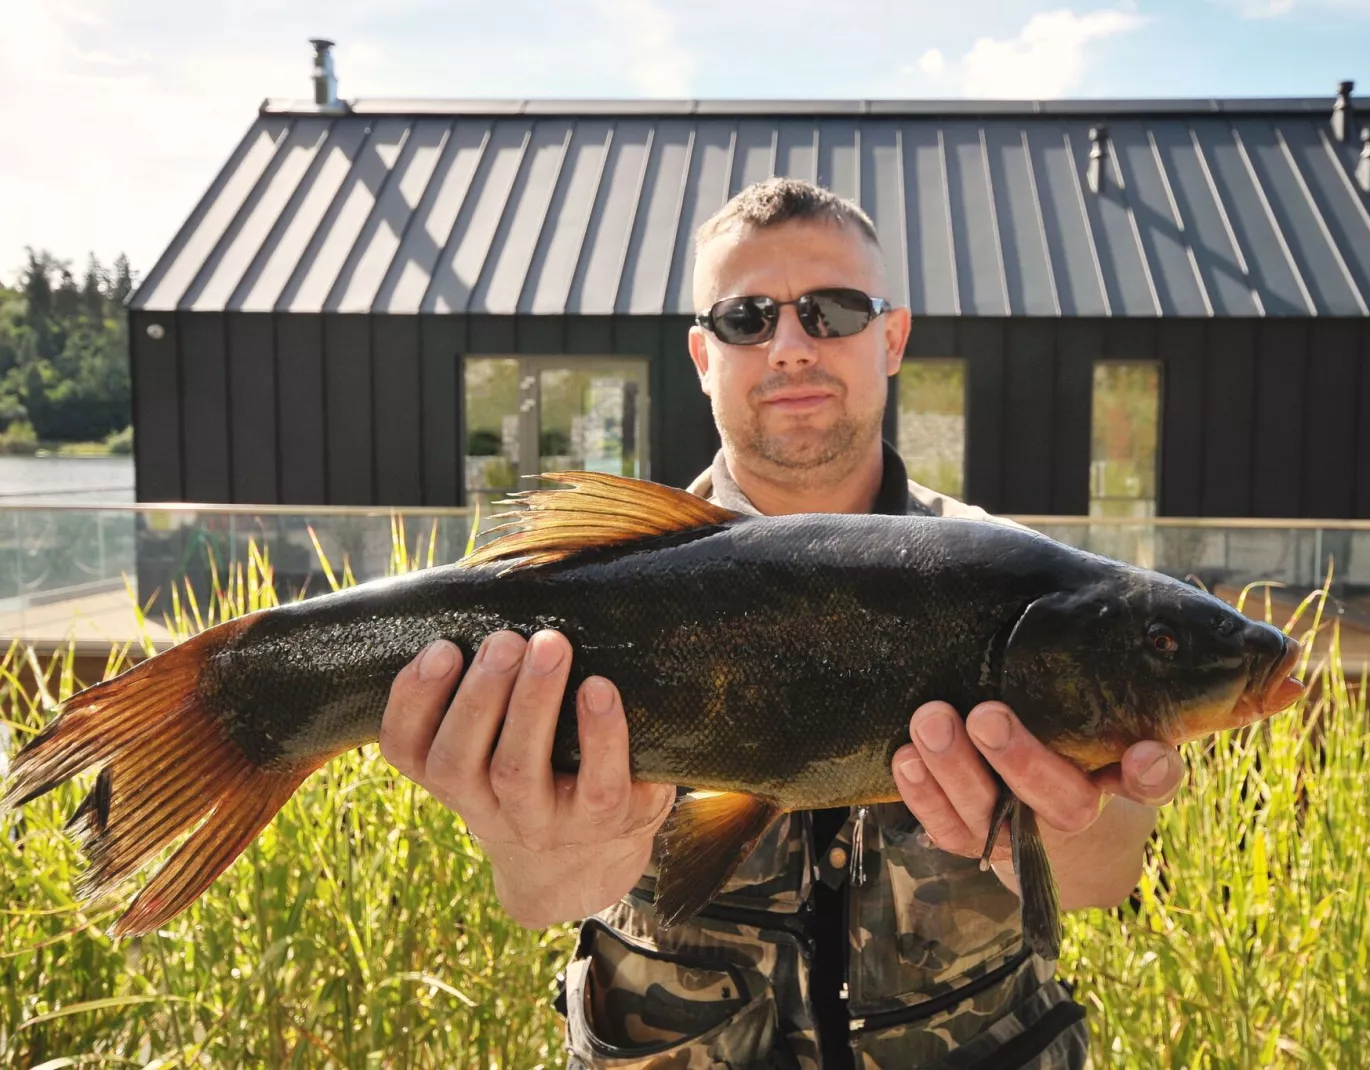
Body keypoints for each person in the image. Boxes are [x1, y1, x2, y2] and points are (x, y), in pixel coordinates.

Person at [378, 178, 1185, 1069]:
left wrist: (1075, 829)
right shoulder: (593, 586)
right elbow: (542, 897)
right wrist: (525, 834)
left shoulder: (1020, 580)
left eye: (834, 311)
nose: (791, 345)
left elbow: (1106, 879)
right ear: (701, 355)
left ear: (892, 337)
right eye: (746, 318)